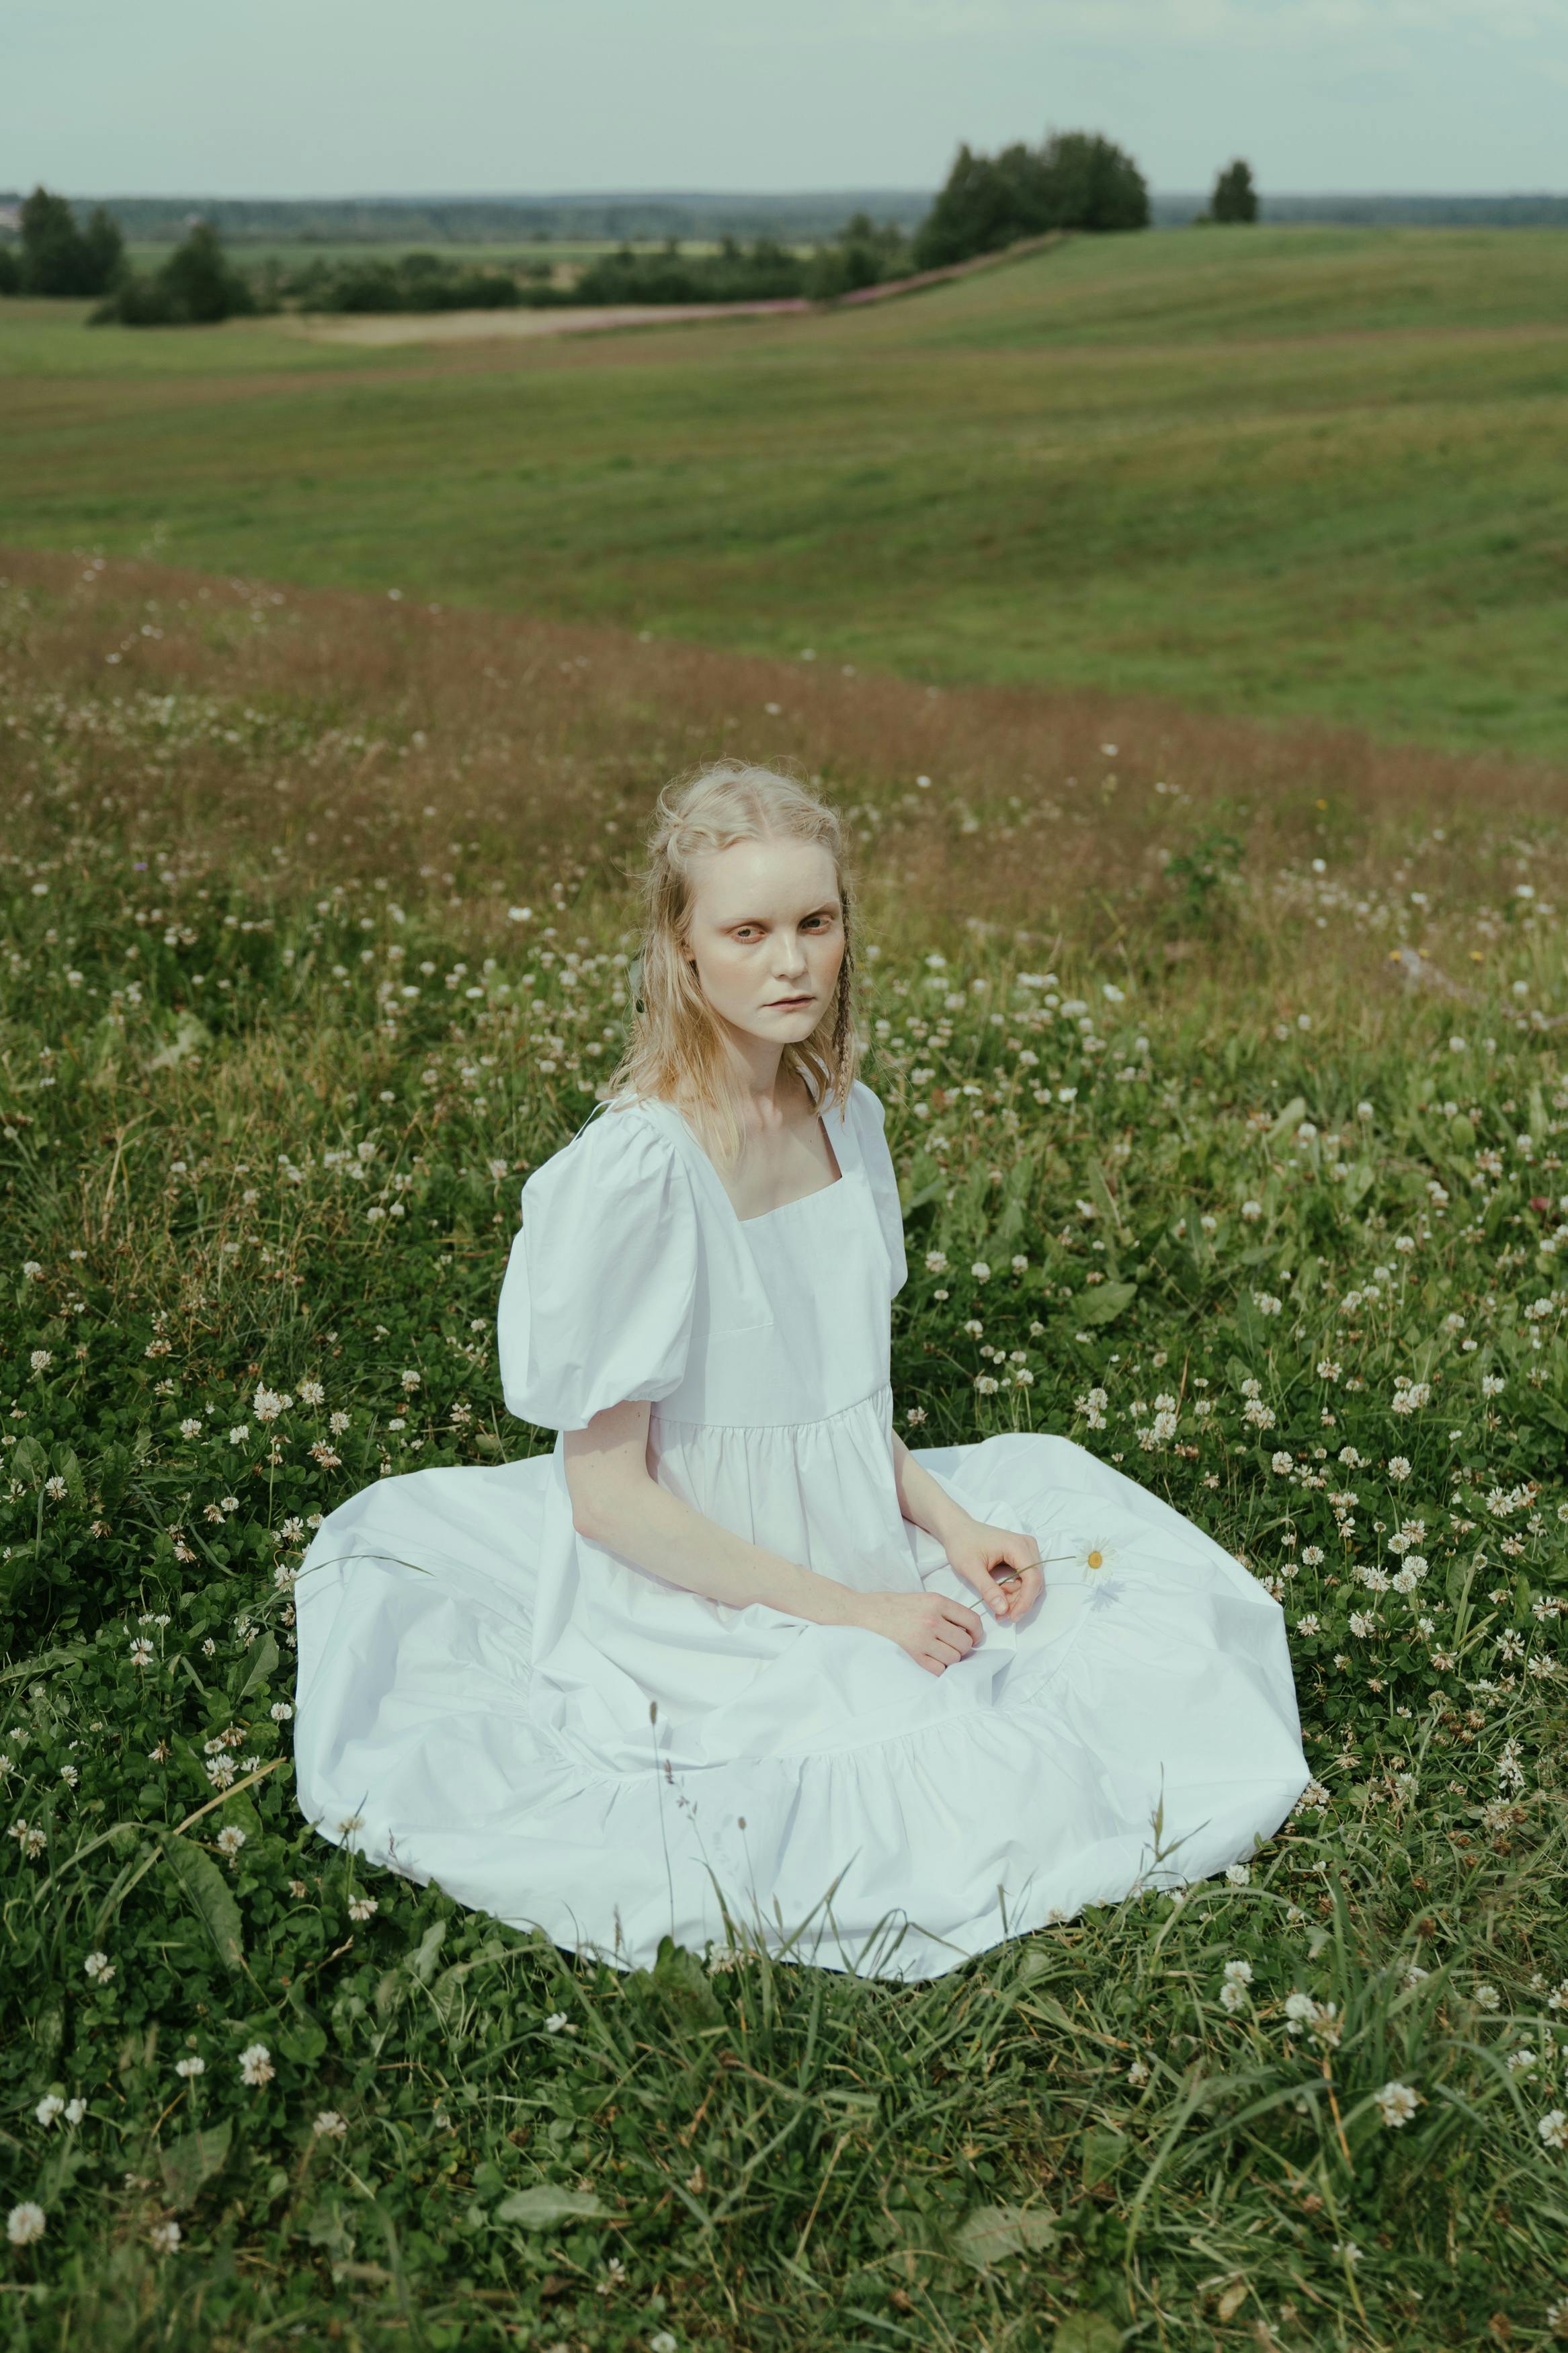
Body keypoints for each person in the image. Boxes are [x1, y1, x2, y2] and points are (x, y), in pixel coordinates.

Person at [293, 761, 1309, 1981]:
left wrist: (949, 1515)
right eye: (747, 931)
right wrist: (858, 1613)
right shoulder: (638, 1174)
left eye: (814, 925)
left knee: (1131, 1635)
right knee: (896, 1785)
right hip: (694, 1585)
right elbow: (604, 1499)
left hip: (847, 1525)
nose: (790, 964)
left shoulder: (844, 1117)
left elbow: (823, 1405)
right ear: (681, 951)